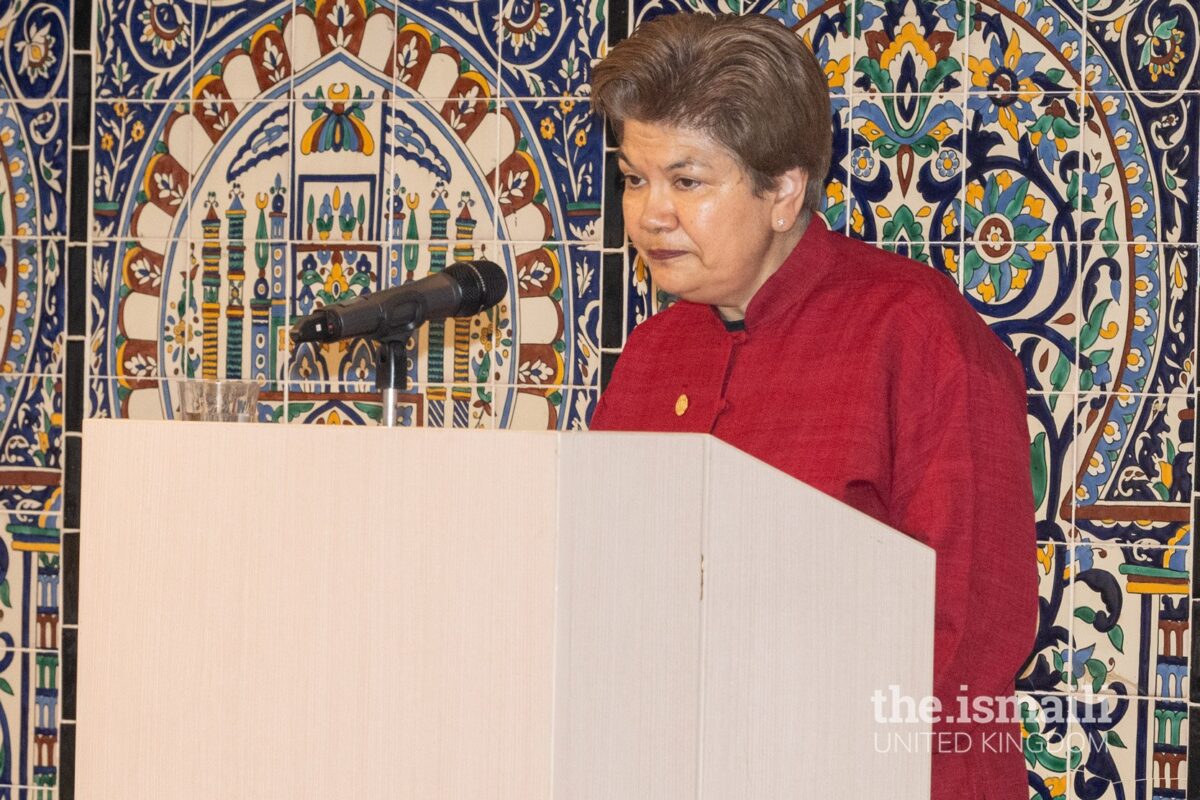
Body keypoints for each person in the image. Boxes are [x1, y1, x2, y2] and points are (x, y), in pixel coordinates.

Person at [589, 12, 1037, 800]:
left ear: (784, 190)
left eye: (686, 181)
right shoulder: (653, 357)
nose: (649, 214)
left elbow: (967, 639)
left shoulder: (915, 333)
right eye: (635, 178)